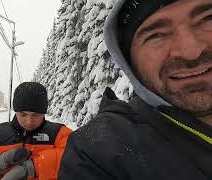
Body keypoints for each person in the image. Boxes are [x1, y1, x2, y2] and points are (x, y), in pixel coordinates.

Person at [58, 0, 212, 179]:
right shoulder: (99, 153)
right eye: (156, 35)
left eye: (208, 19)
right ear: (130, 62)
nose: (191, 51)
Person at [0, 82, 72, 180]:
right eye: (23, 114)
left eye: (36, 115)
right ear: (15, 111)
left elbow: (77, 160)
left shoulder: (59, 134)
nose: (29, 121)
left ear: (44, 113)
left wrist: (35, 167)